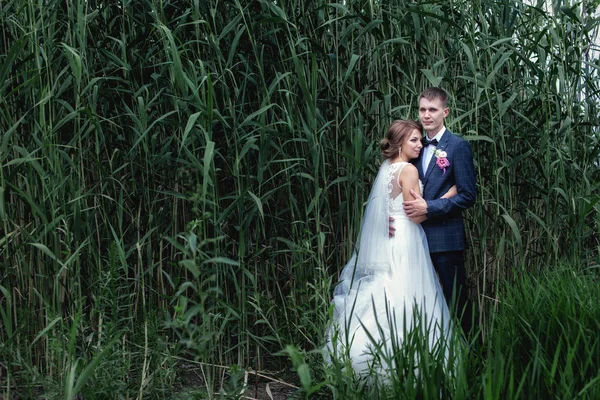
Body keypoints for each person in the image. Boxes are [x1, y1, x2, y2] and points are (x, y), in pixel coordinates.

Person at [325, 120, 457, 374]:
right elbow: (416, 215)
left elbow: (382, 210)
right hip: (406, 239)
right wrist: (447, 196)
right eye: (414, 140)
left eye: (420, 140)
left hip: (389, 238)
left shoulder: (386, 168)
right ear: (399, 144)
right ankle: (408, 359)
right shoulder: (408, 170)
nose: (420, 145)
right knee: (409, 292)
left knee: (386, 288)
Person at [402, 87, 477, 335]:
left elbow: (467, 195)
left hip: (446, 240)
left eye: (432, 110)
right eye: (422, 109)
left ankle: (473, 357)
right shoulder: (414, 146)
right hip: (414, 238)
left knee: (457, 301)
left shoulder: (457, 147)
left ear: (445, 112)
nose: (426, 115)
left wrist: (430, 207)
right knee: (420, 303)